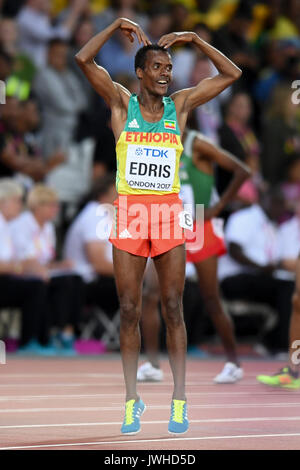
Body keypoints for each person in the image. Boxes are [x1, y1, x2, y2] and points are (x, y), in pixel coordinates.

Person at [75, 17, 241, 435]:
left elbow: (232, 73)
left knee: (172, 306)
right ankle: (132, 400)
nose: (167, 73)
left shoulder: (180, 106)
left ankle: (180, 400)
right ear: (141, 72)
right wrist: (115, 25)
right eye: (159, 67)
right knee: (129, 308)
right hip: (130, 214)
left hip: (169, 214)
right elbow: (83, 58)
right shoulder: (119, 103)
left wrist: (195, 39)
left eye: (170, 67)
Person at [137, 129, 251, 384]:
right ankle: (153, 363)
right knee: (150, 294)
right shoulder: (153, 142)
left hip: (199, 224)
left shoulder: (196, 143)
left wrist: (219, 207)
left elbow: (243, 170)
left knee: (211, 297)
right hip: (168, 224)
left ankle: (233, 362)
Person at [219, 188, 295, 355]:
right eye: (278, 204)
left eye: (283, 205)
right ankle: (279, 345)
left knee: (292, 290)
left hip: (259, 278)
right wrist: (261, 268)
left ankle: (271, 340)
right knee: (287, 289)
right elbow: (234, 250)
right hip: (233, 278)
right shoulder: (246, 218)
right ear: (265, 201)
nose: (281, 209)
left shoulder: (273, 227)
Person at [9, 184, 83, 355]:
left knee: (75, 279)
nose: (56, 209)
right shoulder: (22, 224)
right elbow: (25, 258)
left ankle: (66, 332)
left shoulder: (48, 227)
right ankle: (41, 336)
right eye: (51, 205)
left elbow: (45, 260)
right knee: (52, 284)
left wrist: (60, 266)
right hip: (21, 273)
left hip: (41, 272)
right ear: (38, 206)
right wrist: (43, 270)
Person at [0, 178, 52, 354]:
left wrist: (24, 267)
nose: (20, 206)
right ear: (2, 201)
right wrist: (20, 267)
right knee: (35, 287)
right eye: (16, 201)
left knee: (38, 283)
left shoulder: (6, 225)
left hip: (7, 277)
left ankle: (42, 339)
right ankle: (29, 340)